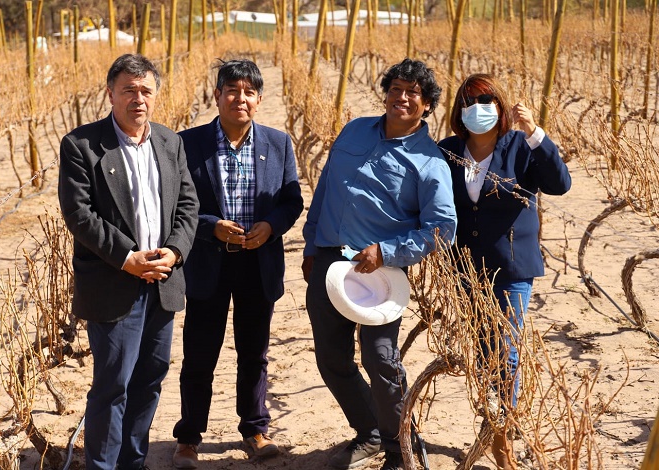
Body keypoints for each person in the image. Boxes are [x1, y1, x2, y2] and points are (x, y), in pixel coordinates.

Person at [301, 58, 457, 470]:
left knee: (381, 359)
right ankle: (370, 431)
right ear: (386, 92)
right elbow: (326, 190)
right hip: (331, 261)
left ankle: (400, 447)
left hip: (383, 271)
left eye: (413, 93)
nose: (402, 98)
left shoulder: (430, 162)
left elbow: (441, 229)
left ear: (426, 105)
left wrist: (386, 252)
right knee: (331, 358)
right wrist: (311, 248)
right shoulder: (354, 131)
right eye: (396, 88)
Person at [58, 53, 198, 470]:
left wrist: (173, 252)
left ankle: (132, 462)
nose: (138, 99)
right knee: (112, 385)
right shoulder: (82, 145)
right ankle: (102, 465)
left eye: (146, 91)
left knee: (150, 380)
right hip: (113, 282)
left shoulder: (170, 142)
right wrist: (127, 258)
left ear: (156, 95)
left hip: (163, 279)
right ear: (110, 94)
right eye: (128, 91)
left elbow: (188, 206)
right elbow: (79, 215)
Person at [171, 59, 304, 469]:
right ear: (217, 95)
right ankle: (189, 437)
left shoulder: (278, 144)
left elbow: (292, 200)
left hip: (257, 262)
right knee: (199, 352)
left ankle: (255, 430)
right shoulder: (187, 144)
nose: (239, 99)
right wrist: (211, 227)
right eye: (232, 90)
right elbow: (176, 202)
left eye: (248, 92)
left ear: (259, 99)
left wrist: (271, 225)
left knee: (254, 353)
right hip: (209, 263)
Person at [438, 73, 571, 470]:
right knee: (482, 350)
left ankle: (499, 431)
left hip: (512, 266)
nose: (479, 109)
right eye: (470, 101)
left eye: (487, 100)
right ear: (459, 110)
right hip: (465, 267)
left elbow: (560, 184)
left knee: (505, 351)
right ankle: (499, 418)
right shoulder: (448, 151)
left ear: (501, 106)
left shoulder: (519, 146)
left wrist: (536, 134)